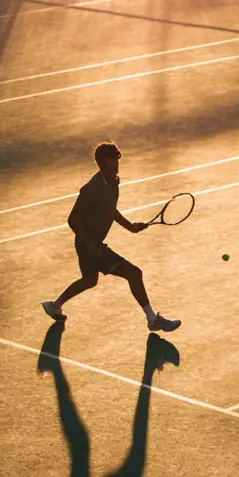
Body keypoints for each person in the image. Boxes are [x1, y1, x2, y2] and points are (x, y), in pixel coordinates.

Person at [42, 141, 181, 333]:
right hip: (91, 246)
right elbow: (73, 219)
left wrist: (130, 226)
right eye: (113, 158)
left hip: (90, 245)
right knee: (134, 273)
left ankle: (54, 305)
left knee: (89, 281)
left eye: (117, 158)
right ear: (102, 162)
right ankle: (152, 319)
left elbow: (110, 210)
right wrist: (90, 244)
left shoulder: (113, 180)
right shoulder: (92, 188)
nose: (117, 162)